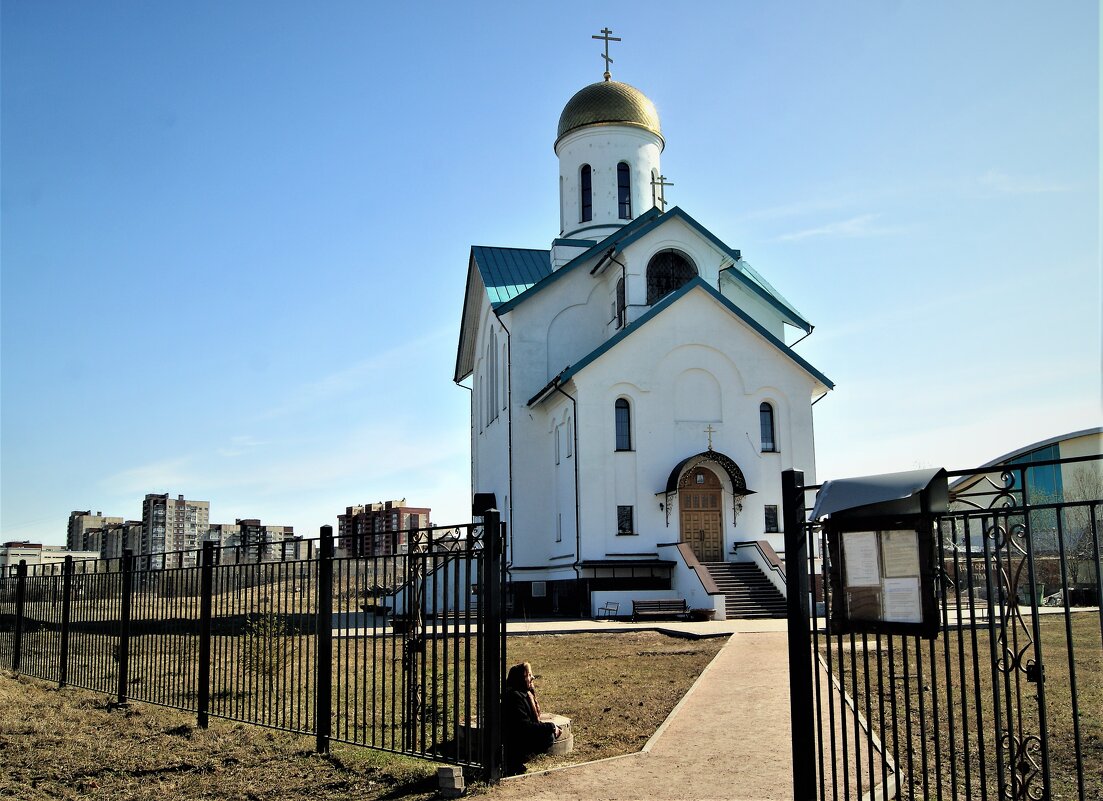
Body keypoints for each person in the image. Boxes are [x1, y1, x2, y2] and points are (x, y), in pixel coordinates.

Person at [501, 661, 561, 774]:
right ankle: (514, 761)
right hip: (513, 740)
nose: (532, 678)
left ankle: (516, 762)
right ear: (521, 678)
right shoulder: (515, 697)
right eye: (528, 675)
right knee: (548, 736)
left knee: (547, 733)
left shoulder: (522, 693)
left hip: (519, 736)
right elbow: (525, 727)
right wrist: (551, 726)